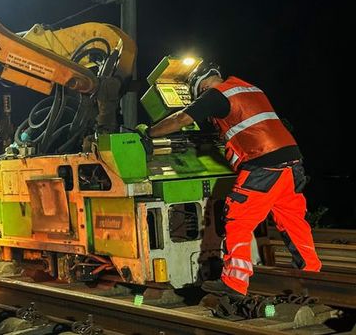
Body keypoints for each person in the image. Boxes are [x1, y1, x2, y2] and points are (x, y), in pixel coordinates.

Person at [136, 62, 321, 297]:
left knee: (238, 219)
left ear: (200, 87)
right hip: (292, 162)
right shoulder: (250, 89)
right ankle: (313, 275)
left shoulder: (216, 94)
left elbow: (181, 118)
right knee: (293, 221)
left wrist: (148, 133)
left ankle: (235, 282)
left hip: (263, 165)